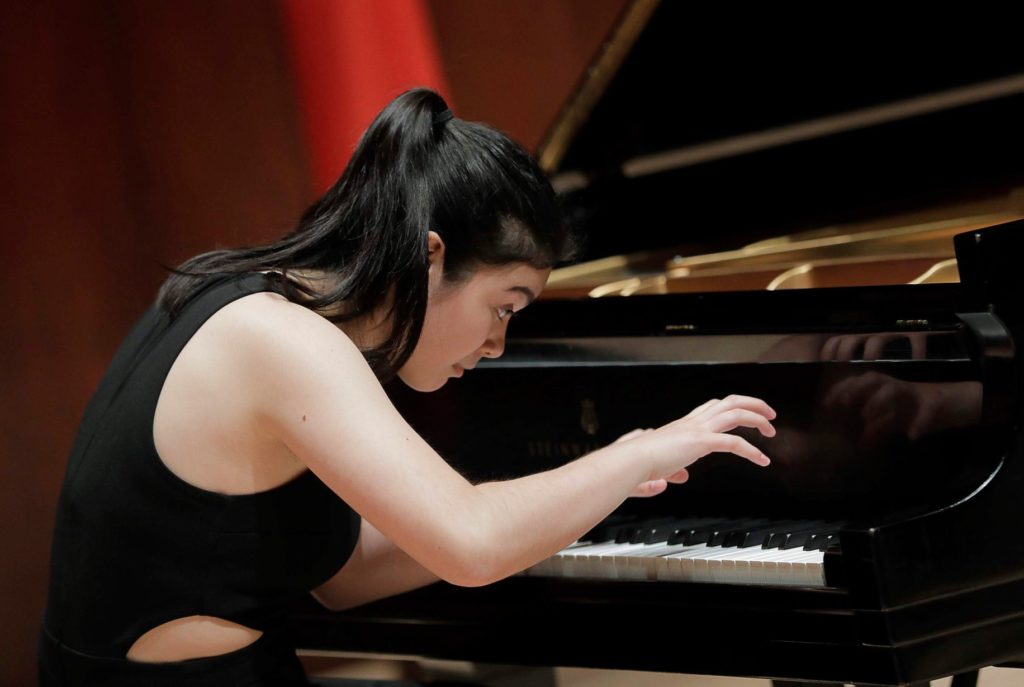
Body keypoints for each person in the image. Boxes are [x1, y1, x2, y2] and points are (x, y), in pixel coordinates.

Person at [39, 88, 777, 686]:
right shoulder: (282, 340)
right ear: (431, 256)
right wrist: (635, 453)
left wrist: (574, 510)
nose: (496, 345)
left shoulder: (253, 300)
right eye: (504, 306)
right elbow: (472, 543)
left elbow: (346, 574)